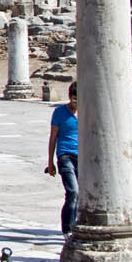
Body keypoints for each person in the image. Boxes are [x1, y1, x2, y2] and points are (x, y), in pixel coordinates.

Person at [44, 81, 79, 234]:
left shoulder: (87, 111)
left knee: (81, 195)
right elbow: (53, 137)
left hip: (83, 156)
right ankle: (67, 230)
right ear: (70, 96)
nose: (76, 103)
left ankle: (76, 224)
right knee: (73, 192)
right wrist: (50, 162)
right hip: (65, 155)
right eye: (74, 99)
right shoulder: (59, 112)